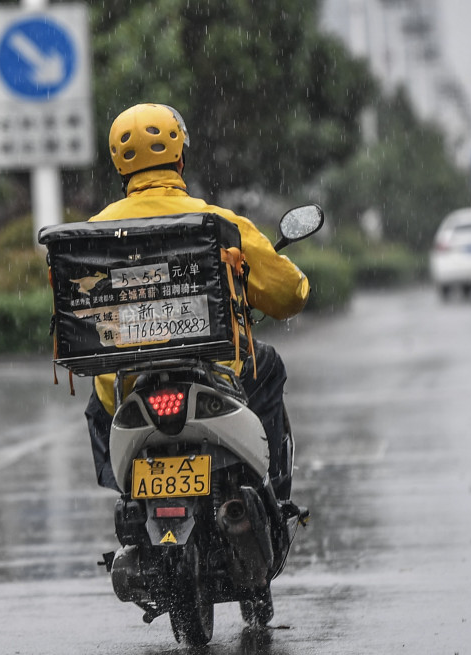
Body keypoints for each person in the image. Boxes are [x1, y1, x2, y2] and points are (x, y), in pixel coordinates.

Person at [84, 103, 310, 498]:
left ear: (119, 166)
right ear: (180, 159)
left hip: (127, 385)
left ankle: (127, 495)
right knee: (268, 364)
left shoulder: (89, 237)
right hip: (217, 376)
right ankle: (274, 490)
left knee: (96, 403)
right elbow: (287, 295)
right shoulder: (219, 223)